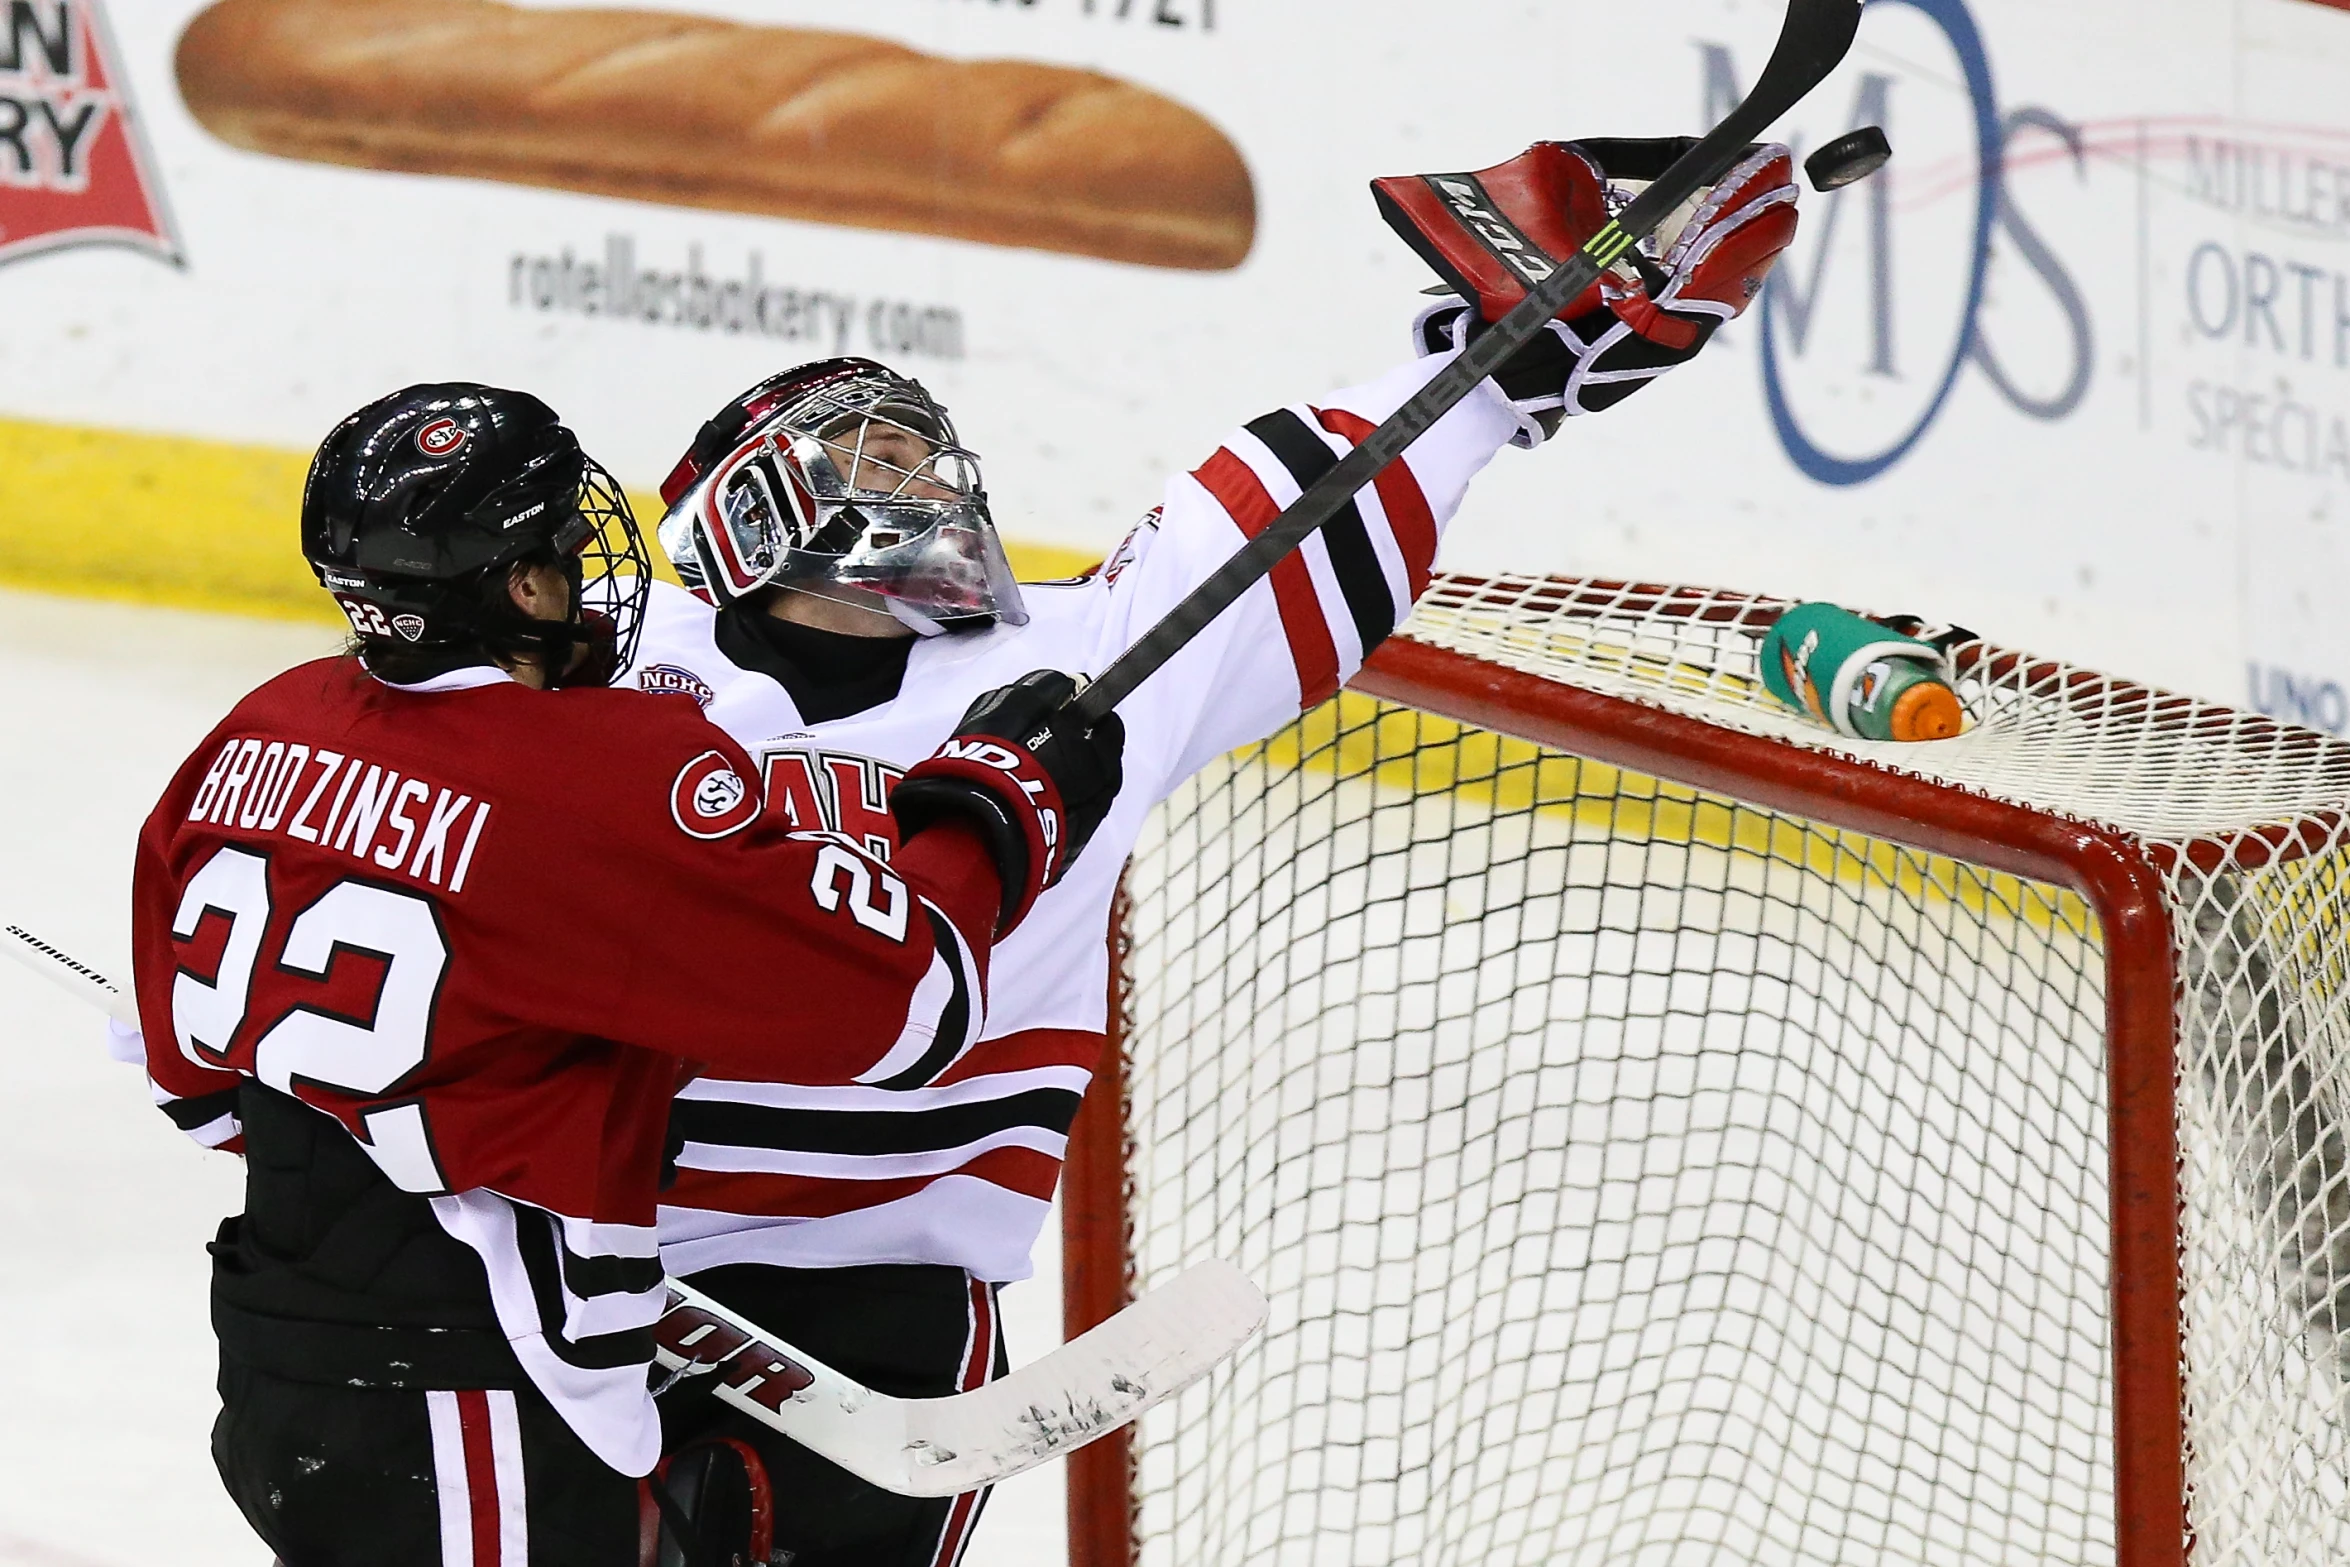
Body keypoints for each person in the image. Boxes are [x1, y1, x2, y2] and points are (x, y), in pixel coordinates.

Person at [627, 137, 1803, 1565]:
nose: (929, 485)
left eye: (929, 451)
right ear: (757, 512)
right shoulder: (612, 676)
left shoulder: (1079, 662)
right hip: (588, 1229)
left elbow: (1273, 512)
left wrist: (1497, 359)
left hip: (889, 1278)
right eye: (874, 462)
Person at [122, 383, 1123, 1567]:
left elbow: (187, 1075)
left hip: (272, 1349)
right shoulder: (592, 773)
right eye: (561, 545)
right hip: (461, 1396)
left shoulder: (260, 728)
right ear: (524, 586)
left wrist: (419, 1128)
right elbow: (887, 1000)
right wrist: (994, 811)